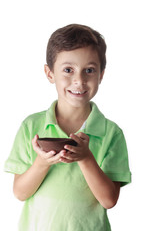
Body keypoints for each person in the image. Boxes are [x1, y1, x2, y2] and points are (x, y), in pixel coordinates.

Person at [4, 24, 131, 231]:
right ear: (50, 73)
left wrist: (86, 158)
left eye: (89, 70)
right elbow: (20, 193)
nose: (79, 81)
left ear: (101, 75)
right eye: (68, 70)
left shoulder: (111, 133)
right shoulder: (31, 126)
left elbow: (109, 200)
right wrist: (42, 163)